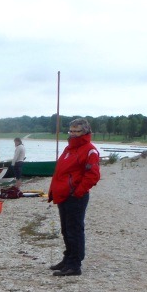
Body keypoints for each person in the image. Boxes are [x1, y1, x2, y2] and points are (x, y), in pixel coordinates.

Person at [47, 118, 100, 277]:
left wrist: (77, 191)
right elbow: (60, 173)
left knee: (74, 230)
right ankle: (68, 258)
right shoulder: (68, 149)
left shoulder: (90, 150)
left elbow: (93, 175)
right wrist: (53, 191)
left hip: (75, 195)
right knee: (66, 229)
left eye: (76, 131)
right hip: (63, 194)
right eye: (71, 131)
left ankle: (75, 264)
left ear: (85, 132)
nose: (73, 134)